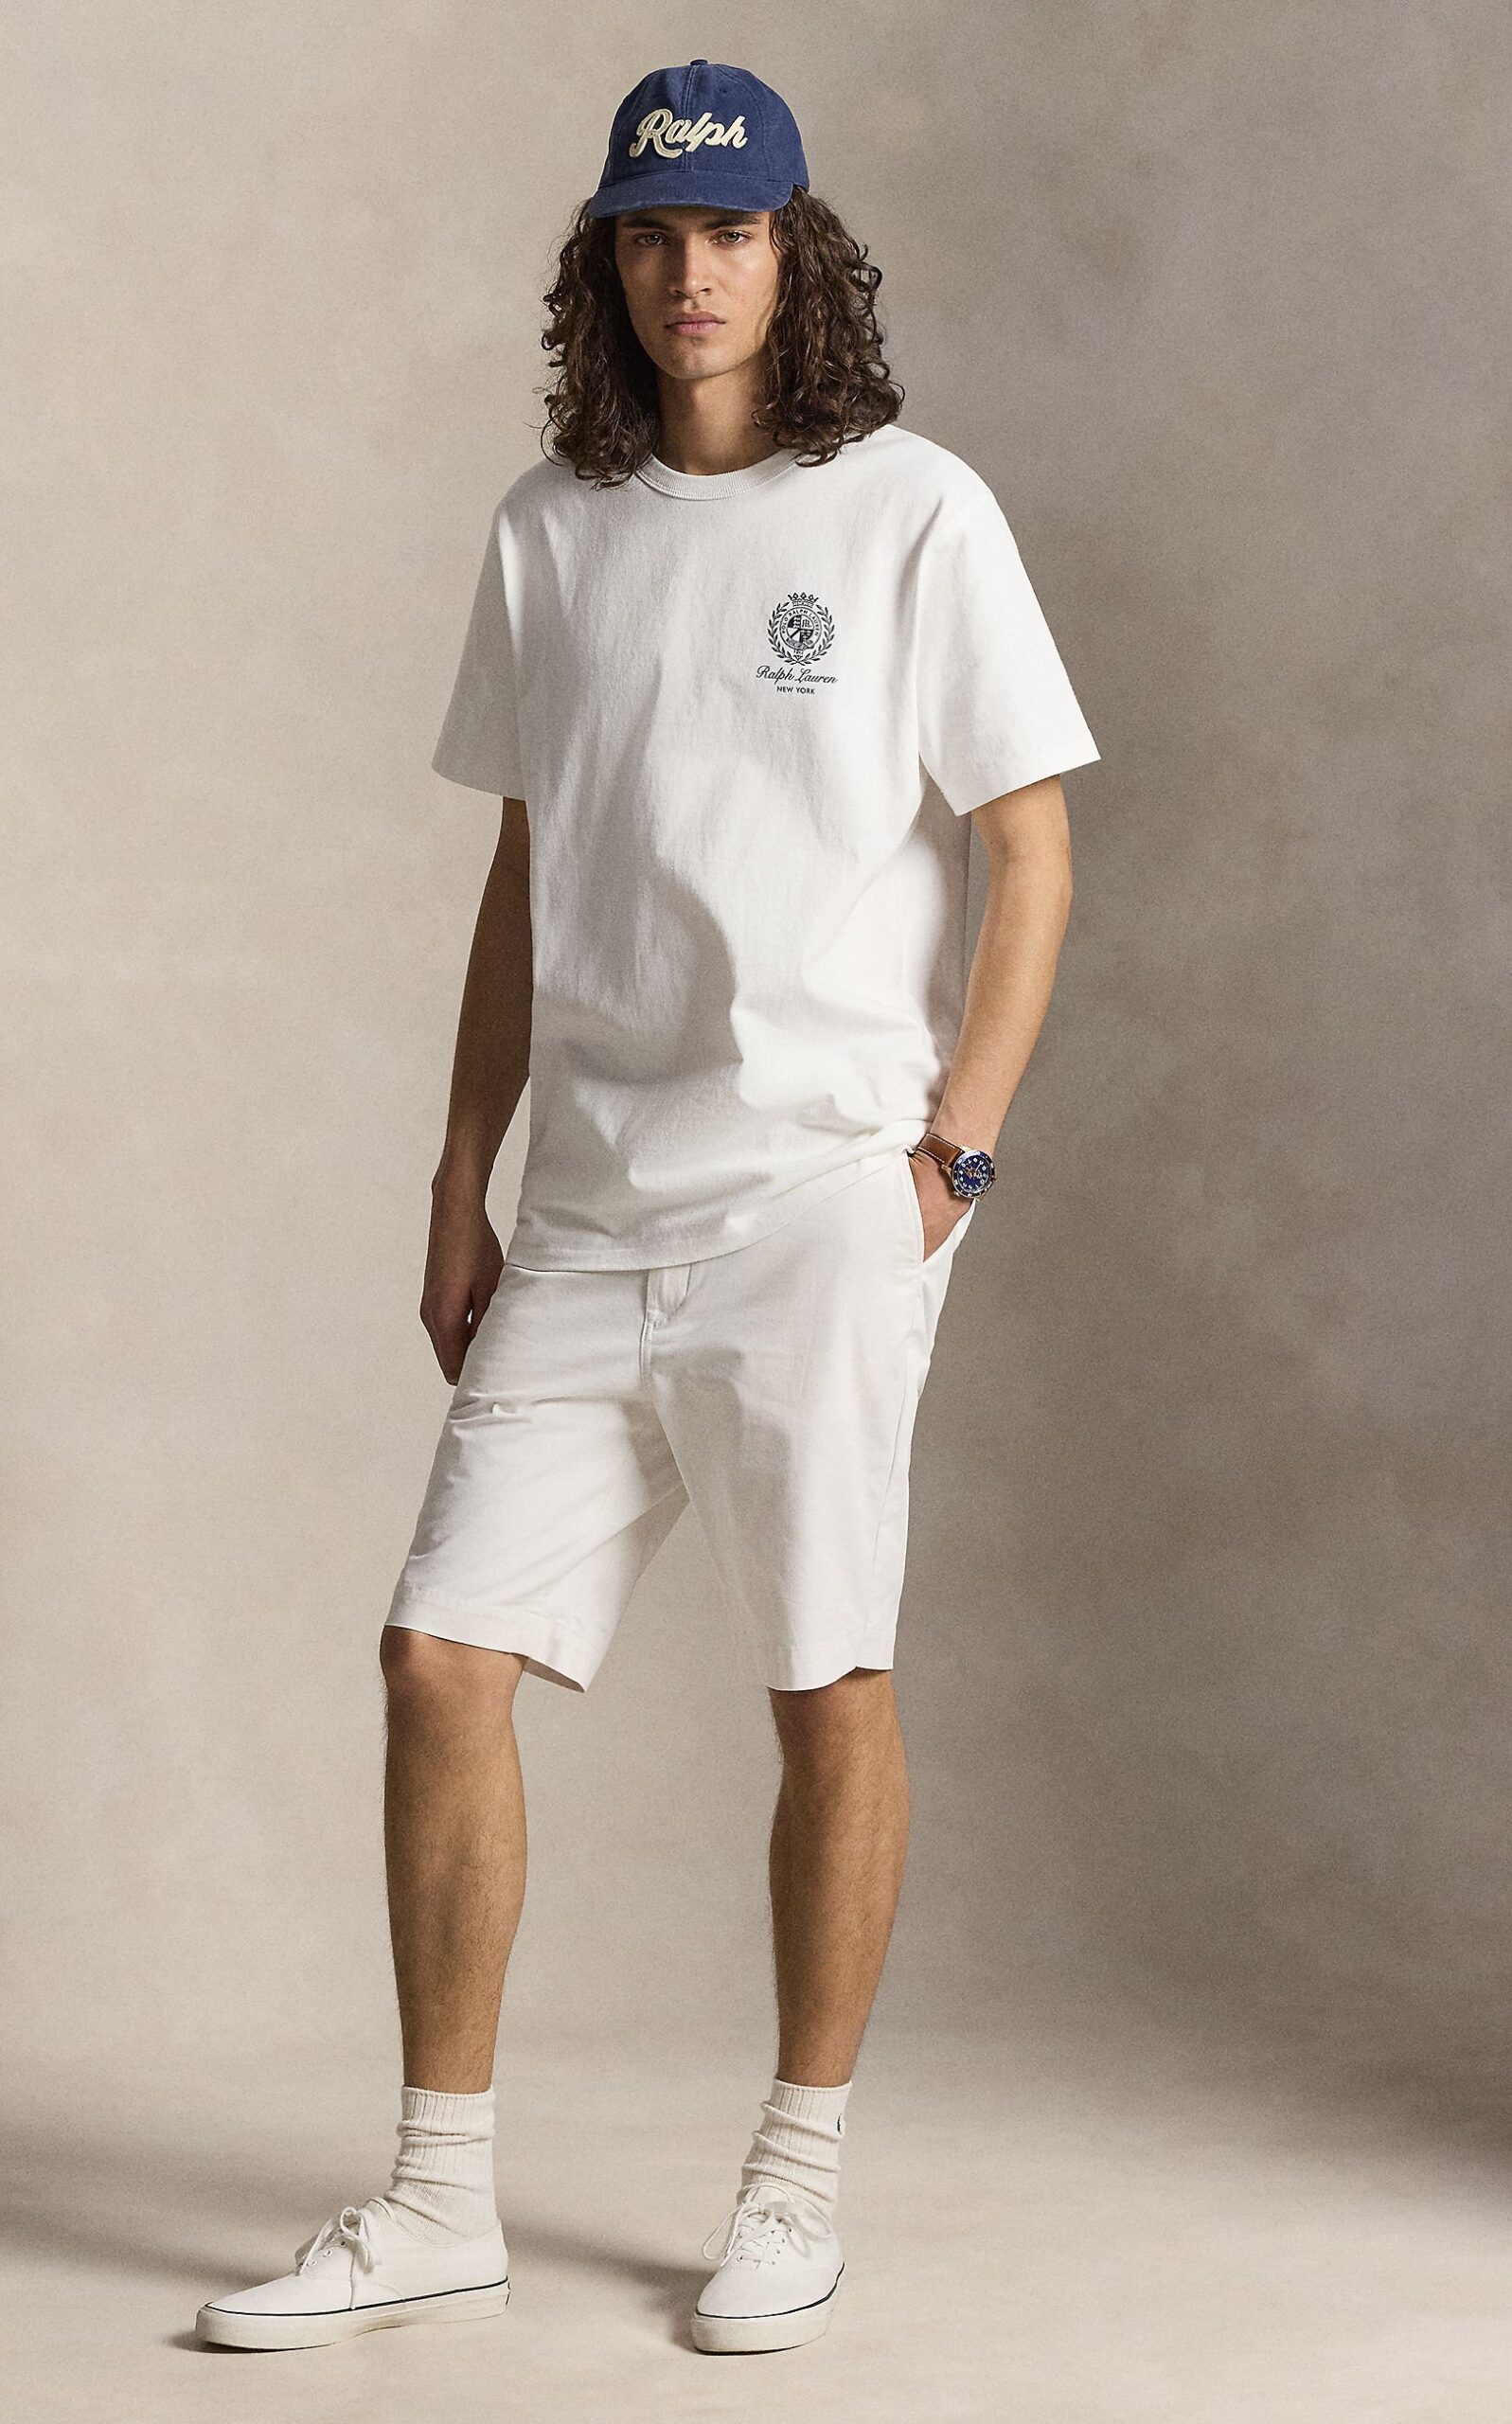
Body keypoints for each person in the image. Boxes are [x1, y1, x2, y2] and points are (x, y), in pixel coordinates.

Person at [196, 56, 1098, 2360]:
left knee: (825, 1679)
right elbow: (533, 868)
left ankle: (793, 2177)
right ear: (604, 262)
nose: (690, 273)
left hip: (821, 1192)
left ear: (798, 254)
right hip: (591, 1207)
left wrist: (950, 1151)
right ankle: (437, 2196)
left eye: (730, 230)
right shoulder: (549, 529)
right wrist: (459, 1168)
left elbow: (1027, 846)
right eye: (650, 235)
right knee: (437, 1656)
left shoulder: (910, 512)